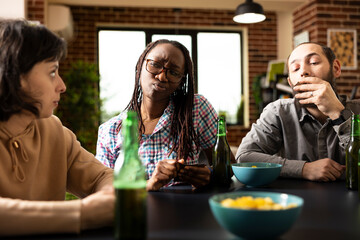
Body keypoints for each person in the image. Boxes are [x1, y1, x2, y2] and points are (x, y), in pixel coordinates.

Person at [0, 19, 114, 236]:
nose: (62, 86)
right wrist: (83, 213)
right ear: (14, 75)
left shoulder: (55, 132)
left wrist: (108, 198)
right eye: (52, 72)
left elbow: (103, 177)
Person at [96, 39, 219, 191]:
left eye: (174, 72)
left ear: (181, 82)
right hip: (136, 213)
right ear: (140, 66)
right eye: (155, 64)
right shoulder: (110, 130)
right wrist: (149, 184)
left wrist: (211, 175)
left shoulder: (195, 109)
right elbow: (102, 189)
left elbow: (227, 167)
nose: (162, 77)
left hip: (186, 210)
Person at [236, 42, 360, 182]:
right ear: (290, 83)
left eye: (313, 62)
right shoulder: (278, 112)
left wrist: (337, 113)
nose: (303, 72)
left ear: (336, 68)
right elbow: (244, 156)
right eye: (295, 68)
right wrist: (303, 169)